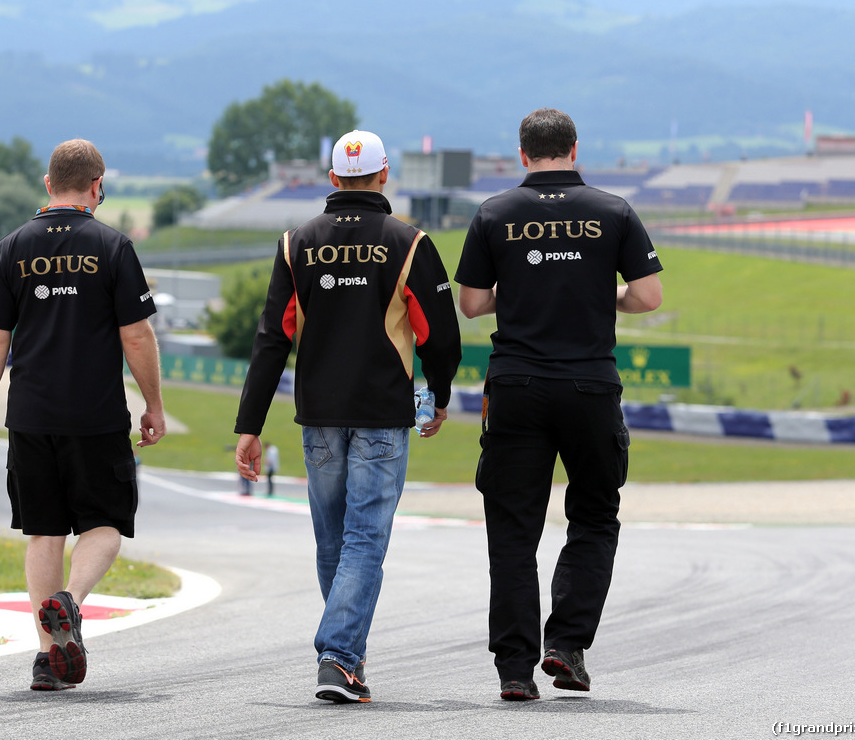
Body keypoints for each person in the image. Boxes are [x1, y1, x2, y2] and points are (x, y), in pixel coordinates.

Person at [233, 129, 462, 704]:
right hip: (383, 413)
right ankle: (338, 656)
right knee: (363, 540)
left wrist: (249, 425)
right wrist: (438, 391)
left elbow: (270, 340)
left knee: (332, 539)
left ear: (332, 179)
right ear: (385, 176)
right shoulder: (408, 241)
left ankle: (346, 658)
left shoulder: (297, 242)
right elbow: (441, 334)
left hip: (318, 415)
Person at [453, 108, 663, 702]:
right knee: (594, 516)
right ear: (574, 149)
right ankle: (565, 645)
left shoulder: (495, 213)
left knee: (513, 530)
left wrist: (523, 290)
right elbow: (648, 296)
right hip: (591, 387)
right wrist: (601, 296)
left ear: (523, 155)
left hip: (516, 385)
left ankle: (515, 670)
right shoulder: (613, 210)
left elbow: (470, 304)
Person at [0, 138, 167, 693]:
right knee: (104, 524)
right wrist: (152, 404)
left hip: (30, 415)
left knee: (44, 532)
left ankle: (48, 658)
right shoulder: (114, 245)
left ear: (49, 184)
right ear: (97, 187)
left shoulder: (11, 247)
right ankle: (70, 604)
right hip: (97, 414)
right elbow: (136, 333)